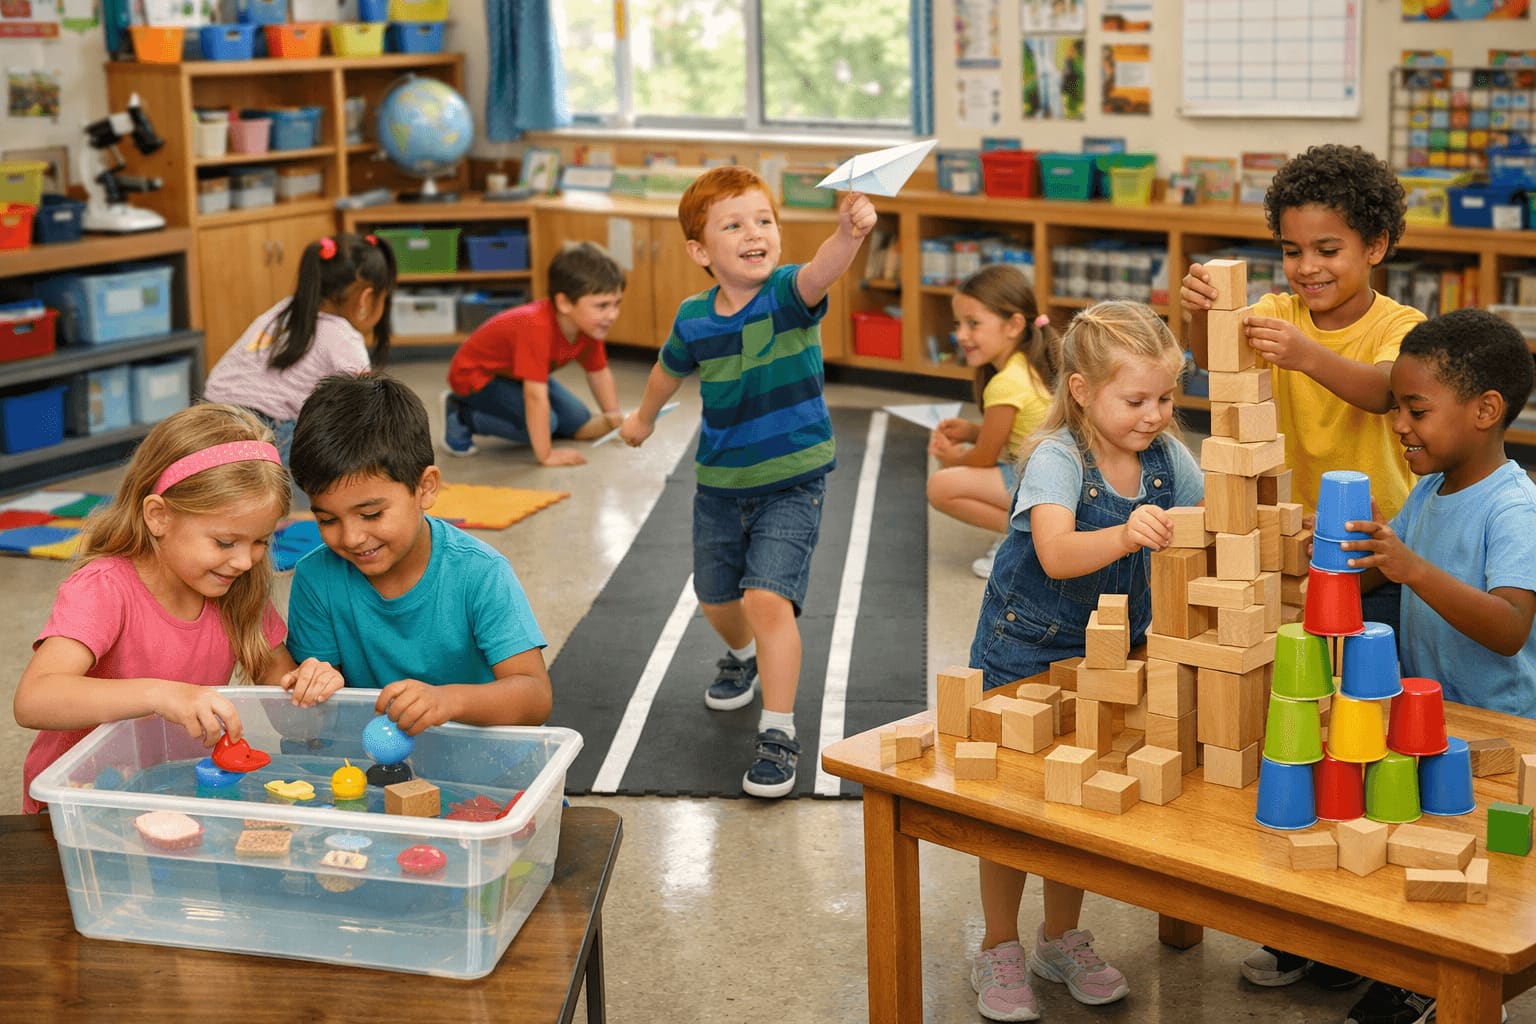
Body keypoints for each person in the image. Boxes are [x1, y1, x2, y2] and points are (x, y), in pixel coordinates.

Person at [1182, 143, 1424, 994]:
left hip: (1373, 561)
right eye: (1292, 250)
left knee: (1368, 741)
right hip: (1282, 555)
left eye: (1328, 249)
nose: (1307, 267)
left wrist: (1304, 350)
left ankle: (1392, 953)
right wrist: (1200, 313)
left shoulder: (1398, 327)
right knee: (1294, 733)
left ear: (1376, 247)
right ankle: (1304, 923)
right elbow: (1212, 360)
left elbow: (1387, 388)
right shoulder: (1271, 310)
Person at [967, 300, 1203, 1021]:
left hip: (1109, 654)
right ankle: (999, 946)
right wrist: (1130, 536)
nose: (1155, 414)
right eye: (1135, 399)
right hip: (1023, 650)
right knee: (1010, 805)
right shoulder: (1056, 458)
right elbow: (1055, 552)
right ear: (1080, 390)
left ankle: (1059, 937)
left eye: (1165, 397)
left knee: (1074, 800)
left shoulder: (1167, 459)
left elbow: (1207, 522)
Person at [619, 165, 876, 798]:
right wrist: (642, 418)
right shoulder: (693, 318)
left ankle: (779, 731)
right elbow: (664, 370)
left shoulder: (789, 294)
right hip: (719, 486)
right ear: (701, 251)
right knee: (716, 599)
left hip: (794, 480)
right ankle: (741, 658)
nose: (754, 232)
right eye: (733, 225)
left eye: (764, 221)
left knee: (768, 600)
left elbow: (823, 268)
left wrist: (849, 234)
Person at [1332, 308, 1534, 1024]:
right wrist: (1328, 563)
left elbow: (1510, 627)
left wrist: (1410, 567)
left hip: (1500, 731)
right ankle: (1409, 967)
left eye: (1416, 410)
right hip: (1429, 717)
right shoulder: (1427, 490)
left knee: (1478, 856)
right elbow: (1378, 577)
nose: (1399, 426)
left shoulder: (1513, 508)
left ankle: (1469, 988)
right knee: (1417, 839)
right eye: (1397, 409)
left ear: (1485, 410)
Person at [12, 404, 342, 813]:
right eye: (225, 542)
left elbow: (291, 718)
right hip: (81, 802)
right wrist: (161, 694)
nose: (245, 561)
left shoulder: (236, 592)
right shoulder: (105, 588)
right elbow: (34, 699)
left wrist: (312, 685)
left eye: (260, 541)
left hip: (175, 795)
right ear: (158, 516)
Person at [285, 372, 552, 733]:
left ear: (425, 488)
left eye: (371, 514)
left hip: (476, 762)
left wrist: (448, 701)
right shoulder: (316, 578)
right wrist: (314, 683)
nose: (351, 537)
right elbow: (312, 726)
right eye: (327, 519)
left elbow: (535, 696)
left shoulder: (480, 572)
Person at [203, 233, 395, 464]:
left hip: (210, 414)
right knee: (312, 491)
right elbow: (368, 404)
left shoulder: (282, 311)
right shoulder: (343, 336)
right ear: (366, 300)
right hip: (267, 428)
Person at [442, 241, 626, 466]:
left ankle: (538, 427)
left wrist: (613, 417)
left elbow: (598, 373)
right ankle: (461, 414)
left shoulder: (588, 327)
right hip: (473, 377)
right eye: (602, 306)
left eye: (617, 304)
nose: (612, 314)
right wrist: (546, 455)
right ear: (564, 303)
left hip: (512, 374)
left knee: (578, 421)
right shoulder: (536, 327)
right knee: (546, 424)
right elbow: (535, 396)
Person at [927, 264, 1058, 579]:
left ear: (1013, 325)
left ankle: (1029, 540)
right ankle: (1034, 532)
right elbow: (1015, 435)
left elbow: (985, 458)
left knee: (941, 487)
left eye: (973, 324)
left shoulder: (1006, 382)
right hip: (1050, 479)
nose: (961, 335)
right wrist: (973, 431)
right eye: (959, 324)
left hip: (1048, 486)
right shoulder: (1026, 363)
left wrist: (950, 458)